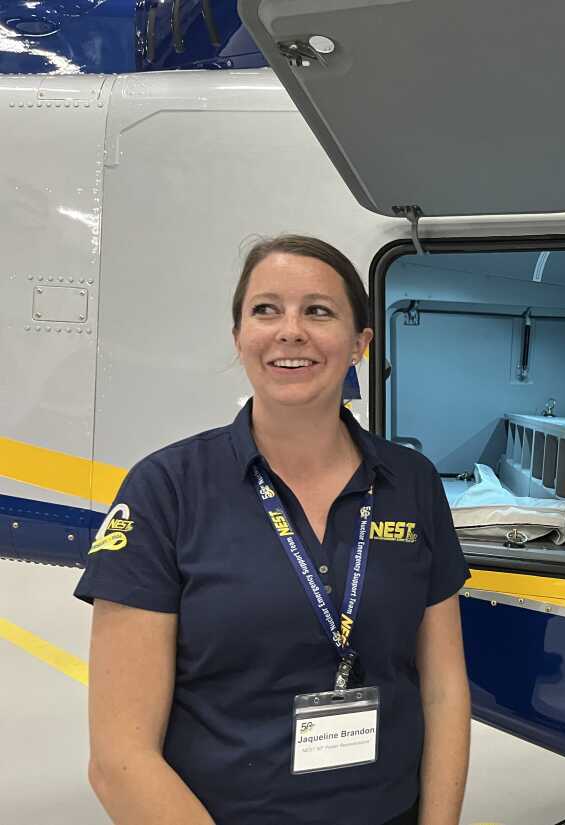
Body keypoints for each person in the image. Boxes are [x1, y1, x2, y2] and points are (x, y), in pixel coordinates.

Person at [75, 235, 471, 825]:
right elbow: (118, 757)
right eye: (266, 310)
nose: (291, 331)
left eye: (318, 310)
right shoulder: (167, 488)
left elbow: (443, 690)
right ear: (239, 337)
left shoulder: (410, 481)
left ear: (361, 343)